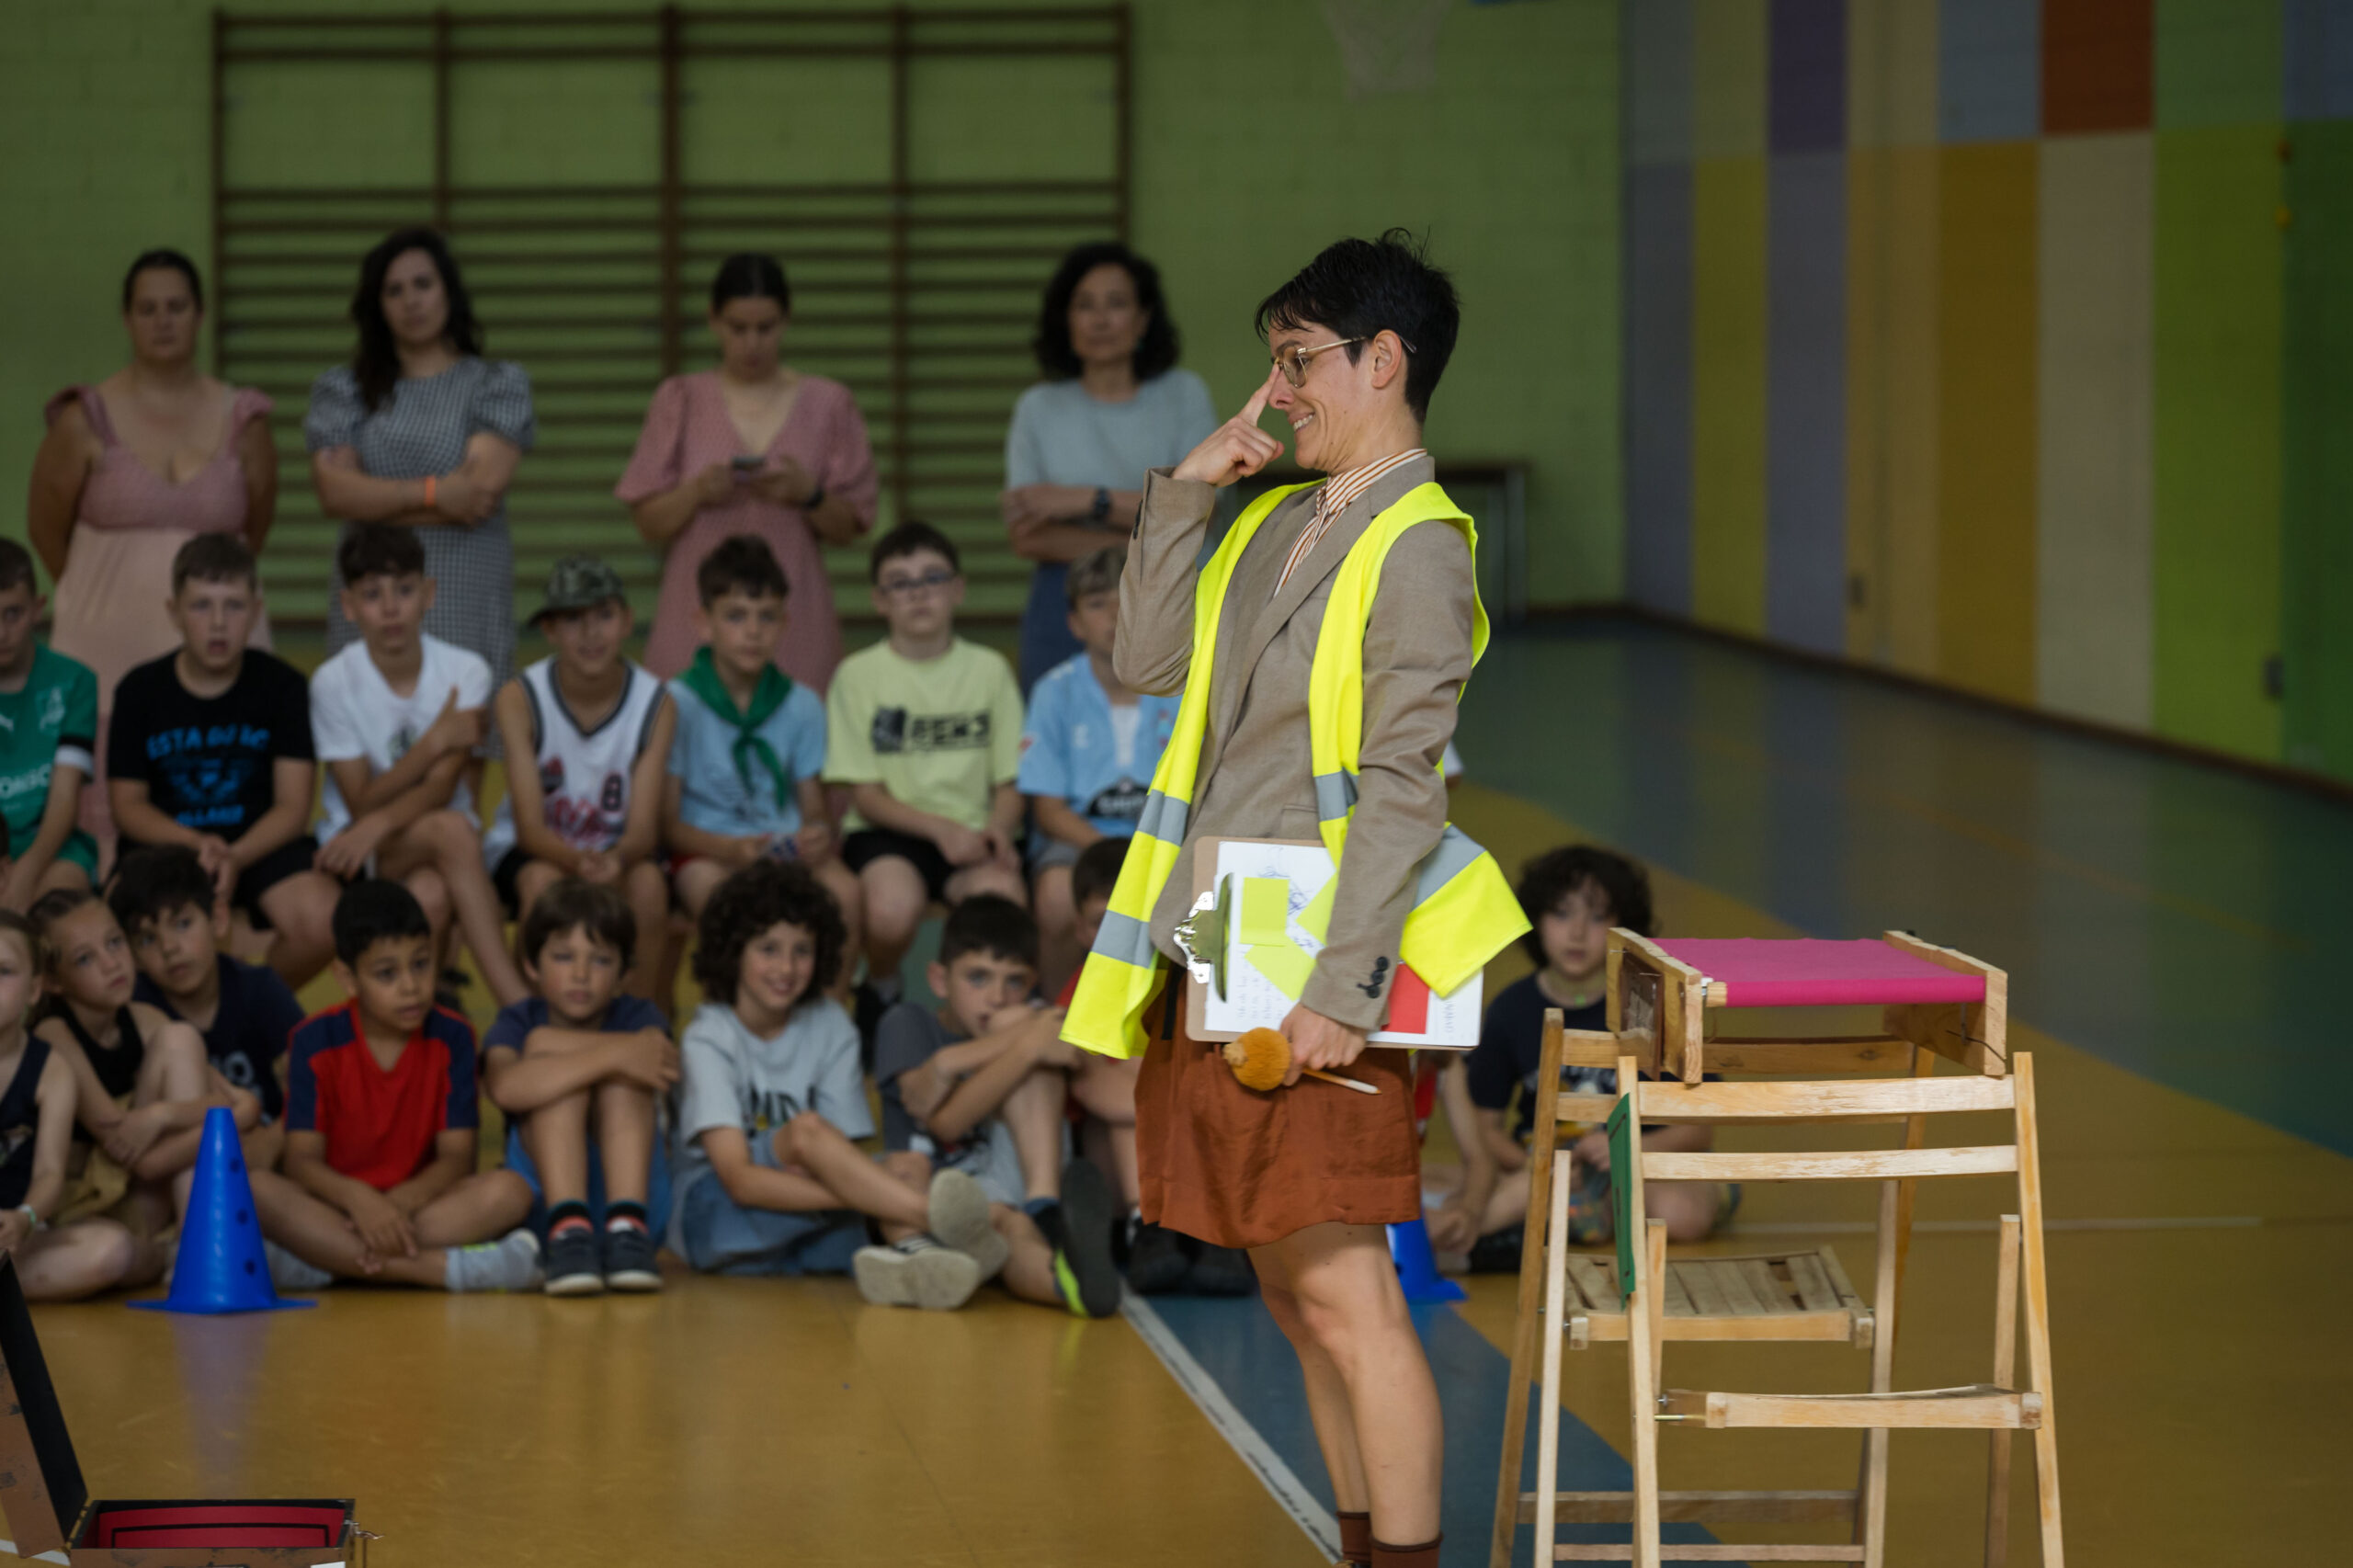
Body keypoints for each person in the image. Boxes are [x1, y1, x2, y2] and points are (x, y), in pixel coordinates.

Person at [1063, 233, 1530, 1568]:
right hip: (1229, 945)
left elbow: (1402, 787)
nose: (1277, 390)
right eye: (1273, 362)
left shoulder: (1419, 543)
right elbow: (1147, 659)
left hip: (1316, 965)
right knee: (1294, 1295)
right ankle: (1363, 1543)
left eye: (1297, 360)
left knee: (1350, 1299)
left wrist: (1343, 990)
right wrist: (1187, 491)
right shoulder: (1272, 520)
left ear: (1383, 361)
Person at [26, 249, 277, 846]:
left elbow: (255, 528)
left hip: (226, 667)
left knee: (230, 828)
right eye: (148, 309)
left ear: (201, 315)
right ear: (127, 319)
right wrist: (101, 595)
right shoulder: (83, 418)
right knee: (103, 842)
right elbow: (45, 528)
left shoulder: (244, 419)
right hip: (103, 664)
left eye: (176, 307)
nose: (163, 321)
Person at [673, 858, 1000, 1303]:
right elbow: (739, 1180)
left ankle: (916, 1261)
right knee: (807, 1131)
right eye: (768, 949)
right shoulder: (709, 1035)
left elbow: (842, 1155)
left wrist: (866, 1188)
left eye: (802, 950)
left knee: (908, 1165)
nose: (786, 968)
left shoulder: (830, 1023)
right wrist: (863, 1193)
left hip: (807, 1227)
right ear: (734, 952)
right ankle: (933, 1220)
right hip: (719, 1220)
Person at [1427, 847, 1732, 1269]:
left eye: (1596, 916)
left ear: (1623, 927)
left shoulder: (1655, 1005)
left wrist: (1632, 1148)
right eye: (1561, 913)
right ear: (1536, 920)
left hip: (1646, 1161)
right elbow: (1485, 1128)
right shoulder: (1511, 1009)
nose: (1576, 933)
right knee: (1440, 1183)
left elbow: (1699, 1128)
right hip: (1545, 1163)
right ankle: (1567, 1209)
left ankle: (1553, 1215)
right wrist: (1535, 1164)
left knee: (1680, 1212)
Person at [248, 880, 542, 1293]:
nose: (410, 986)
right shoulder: (313, 1040)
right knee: (257, 1189)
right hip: (340, 1208)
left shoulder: (454, 1036)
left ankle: (325, 1262)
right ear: (347, 978)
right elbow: (301, 1161)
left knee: (511, 1191)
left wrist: (394, 1207)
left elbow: (457, 1159)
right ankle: (445, 1271)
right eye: (387, 973)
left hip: (418, 1208)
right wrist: (360, 1201)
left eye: (421, 964)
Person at [619, 253, 879, 688]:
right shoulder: (681, 399)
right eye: (738, 328)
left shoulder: (828, 404)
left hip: (793, 613)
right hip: (697, 612)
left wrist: (809, 495)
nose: (752, 343)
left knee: (801, 724)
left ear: (787, 321)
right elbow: (647, 522)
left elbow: (851, 527)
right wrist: (696, 492)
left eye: (766, 328)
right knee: (684, 722)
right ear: (713, 321)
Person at [305, 227, 534, 704]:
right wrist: (436, 494)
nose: (411, 301)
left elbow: (477, 495)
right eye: (394, 290)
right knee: (369, 739)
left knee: (463, 732)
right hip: (371, 599)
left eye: (423, 284)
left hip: (463, 592)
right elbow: (335, 493)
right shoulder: (344, 390)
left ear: (449, 291)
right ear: (377, 306)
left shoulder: (496, 384)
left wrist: (373, 498)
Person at [107, 536, 341, 988]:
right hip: (165, 844)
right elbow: (128, 805)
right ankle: (166, 1016)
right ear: (174, 611)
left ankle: (246, 1003)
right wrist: (196, 845)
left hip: (259, 844)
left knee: (325, 919)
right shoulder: (139, 690)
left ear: (256, 612)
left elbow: (293, 807)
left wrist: (234, 855)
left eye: (233, 606)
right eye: (201, 606)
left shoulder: (284, 686)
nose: (218, 624)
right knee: (117, 930)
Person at [309, 522, 527, 1006]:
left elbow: (442, 787)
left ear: (429, 594)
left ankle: (419, 1020)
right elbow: (360, 801)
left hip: (427, 845)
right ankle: (517, 1004)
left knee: (431, 894)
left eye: (404, 591)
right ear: (348, 606)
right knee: (452, 830)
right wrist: (433, 743)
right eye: (372, 595)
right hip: (358, 851)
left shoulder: (466, 670)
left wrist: (380, 819)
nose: (390, 608)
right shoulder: (332, 682)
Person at [872, 895, 1121, 1317]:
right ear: (939, 980)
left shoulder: (1038, 1019)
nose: (997, 997)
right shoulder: (909, 1022)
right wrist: (1020, 1047)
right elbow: (937, 1119)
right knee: (995, 1221)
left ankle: (1063, 1265)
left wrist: (1017, 1044)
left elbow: (1061, 1047)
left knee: (1016, 1226)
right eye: (978, 978)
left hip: (1018, 1181)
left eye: (1015, 982)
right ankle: (1053, 1272)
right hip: (937, 1195)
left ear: (1033, 984)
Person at [824, 522, 1026, 1016]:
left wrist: (999, 829)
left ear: (958, 590)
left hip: (973, 833)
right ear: (879, 600)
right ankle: (881, 985)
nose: (918, 594)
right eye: (900, 583)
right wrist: (939, 831)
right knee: (891, 910)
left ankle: (980, 1016)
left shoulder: (990, 670)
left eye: (932, 578)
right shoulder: (857, 675)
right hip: (889, 834)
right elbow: (866, 795)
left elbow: (1010, 779)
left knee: (1003, 898)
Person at [1002, 242, 1217, 691]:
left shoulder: (1184, 395)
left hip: (1169, 595)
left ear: (1143, 319)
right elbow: (1027, 535)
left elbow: (1201, 510)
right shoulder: (1037, 408)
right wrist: (1153, 533)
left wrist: (1083, 501)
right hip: (1068, 602)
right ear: (1066, 320)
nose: (1100, 320)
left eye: (1116, 304)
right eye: (1085, 306)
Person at [660, 534, 860, 967]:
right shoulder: (676, 703)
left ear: (784, 625)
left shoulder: (802, 703)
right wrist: (729, 850)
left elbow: (814, 806)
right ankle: (734, 1006)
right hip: (707, 852)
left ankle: (828, 1007)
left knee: (845, 893)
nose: (753, 632)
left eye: (766, 617)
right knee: (727, 903)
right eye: (735, 616)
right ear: (703, 623)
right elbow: (668, 824)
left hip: (782, 848)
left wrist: (816, 833)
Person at [483, 557, 676, 999]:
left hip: (618, 851)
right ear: (549, 630)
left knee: (648, 887)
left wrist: (615, 859)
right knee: (541, 886)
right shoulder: (519, 698)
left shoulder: (656, 703)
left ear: (627, 621)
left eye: (604, 615)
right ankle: (533, 1022)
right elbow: (530, 829)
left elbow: (644, 830)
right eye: (573, 619)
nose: (591, 633)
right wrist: (579, 862)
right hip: (537, 850)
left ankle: (636, 1020)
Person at [481, 880, 675, 1297]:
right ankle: (569, 1230)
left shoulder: (639, 1015)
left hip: (638, 1209)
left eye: (600, 960)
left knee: (622, 1086)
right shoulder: (518, 1022)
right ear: (532, 966)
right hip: (544, 1217)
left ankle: (626, 1228)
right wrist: (618, 1054)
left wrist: (545, 1046)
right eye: (563, 957)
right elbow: (506, 1089)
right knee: (560, 1088)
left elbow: (659, 1060)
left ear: (624, 974)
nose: (581, 974)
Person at [27, 889, 256, 1235]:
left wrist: (161, 1116)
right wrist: (230, 1116)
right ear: (53, 981)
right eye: (85, 959)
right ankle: (200, 1237)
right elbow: (136, 1156)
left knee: (179, 1038)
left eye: (115, 942)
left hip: (151, 1194)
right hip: (93, 1211)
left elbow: (244, 1103)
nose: (111, 964)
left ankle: (200, 1239)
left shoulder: (145, 1018)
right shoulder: (53, 1034)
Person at [1017, 542, 1180, 990]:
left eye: (1126, 599)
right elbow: (1048, 811)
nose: (1114, 615)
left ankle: (1170, 1013)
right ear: (1074, 622)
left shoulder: (1178, 687)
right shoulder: (1054, 692)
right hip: (1079, 842)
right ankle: (1058, 1009)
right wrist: (1112, 852)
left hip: (1162, 838)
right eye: (1096, 604)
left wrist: (1144, 850)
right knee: (1056, 895)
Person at [0, 910, 165, 1301]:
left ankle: (166, 1257)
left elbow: (49, 1174)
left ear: (35, 989)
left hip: (15, 1238)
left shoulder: (51, 1069)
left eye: (3, 971)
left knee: (112, 1249)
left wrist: (24, 1218)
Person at [110, 845, 302, 1170]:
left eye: (182, 924)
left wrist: (270, 1143)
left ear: (219, 919)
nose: (169, 948)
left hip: (266, 1148)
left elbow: (316, 1088)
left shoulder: (259, 987)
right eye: (147, 939)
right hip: (187, 1163)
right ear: (132, 956)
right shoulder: (138, 1011)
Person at [0, 540, 99, 909]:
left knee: (59, 908)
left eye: (12, 613)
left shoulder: (74, 680)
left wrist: (26, 872)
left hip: (53, 847)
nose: (1, 632)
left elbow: (64, 798)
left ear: (37, 608)